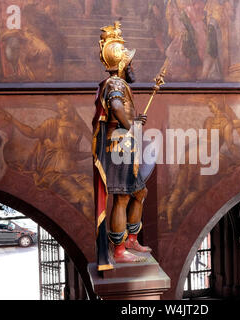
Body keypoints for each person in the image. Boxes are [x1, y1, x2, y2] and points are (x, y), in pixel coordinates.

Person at [93, 21, 151, 271]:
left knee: (139, 192)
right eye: (130, 61)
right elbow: (116, 108)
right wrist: (132, 126)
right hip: (120, 146)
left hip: (124, 143)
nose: (132, 66)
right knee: (122, 196)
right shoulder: (115, 84)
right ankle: (119, 250)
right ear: (122, 63)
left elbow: (120, 110)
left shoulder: (118, 85)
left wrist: (135, 121)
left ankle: (131, 239)